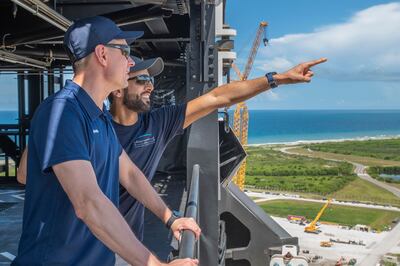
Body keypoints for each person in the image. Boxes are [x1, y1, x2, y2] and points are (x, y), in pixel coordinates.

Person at [18, 54, 327, 243]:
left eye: (151, 80)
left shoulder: (158, 123)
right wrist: (48, 128)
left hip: (125, 243)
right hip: (75, 242)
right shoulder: (85, 124)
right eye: (139, 80)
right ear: (116, 89)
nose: (150, 85)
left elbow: (218, 98)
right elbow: (25, 177)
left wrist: (277, 79)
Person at [13, 16, 200, 266]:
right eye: (125, 52)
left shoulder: (98, 115)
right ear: (102, 54)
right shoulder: (63, 112)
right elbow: (89, 202)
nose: (130, 61)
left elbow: (130, 174)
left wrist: (170, 218)